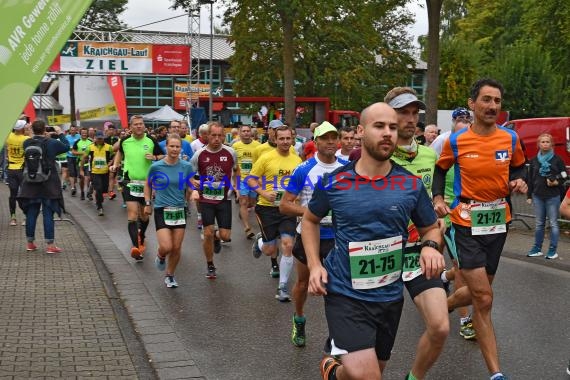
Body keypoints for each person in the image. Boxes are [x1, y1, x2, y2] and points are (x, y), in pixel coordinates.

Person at [303, 102, 444, 380]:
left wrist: (430, 248)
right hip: (345, 293)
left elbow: (431, 228)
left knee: (371, 371)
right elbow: (309, 221)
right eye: (379, 126)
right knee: (368, 376)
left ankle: (333, 372)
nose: (388, 133)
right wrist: (315, 265)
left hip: (389, 295)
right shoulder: (335, 182)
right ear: (360, 131)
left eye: (392, 127)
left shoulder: (410, 184)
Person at [433, 78, 527, 380]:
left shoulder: (510, 138)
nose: (492, 106)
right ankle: (496, 373)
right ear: (473, 104)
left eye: (497, 101)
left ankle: (440, 306)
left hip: (499, 220)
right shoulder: (457, 141)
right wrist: (437, 197)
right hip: (466, 220)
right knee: (484, 298)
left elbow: (519, 166)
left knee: (478, 293)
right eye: (486, 100)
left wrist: (518, 180)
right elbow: (441, 168)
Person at [385, 87, 448, 380]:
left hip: (419, 250)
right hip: (382, 253)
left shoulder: (427, 155)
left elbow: (439, 194)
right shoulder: (375, 156)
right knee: (376, 345)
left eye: (414, 113)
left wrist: (439, 211)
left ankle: (415, 377)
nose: (411, 120)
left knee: (440, 327)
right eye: (403, 113)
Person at [279, 122, 347, 347]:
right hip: (310, 235)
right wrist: (310, 213)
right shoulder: (304, 169)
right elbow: (285, 205)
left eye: (333, 137)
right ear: (315, 142)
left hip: (337, 237)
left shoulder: (347, 168)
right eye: (324, 138)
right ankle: (299, 318)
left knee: (337, 288)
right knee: (303, 282)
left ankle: (336, 334)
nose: (330, 142)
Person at [433, 107, 477, 341]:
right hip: (450, 220)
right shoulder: (442, 156)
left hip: (473, 221)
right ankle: (464, 321)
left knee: (470, 269)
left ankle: (444, 278)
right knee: (462, 268)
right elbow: (431, 184)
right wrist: (437, 201)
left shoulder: (474, 157)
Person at [248, 126, 302, 300]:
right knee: (270, 249)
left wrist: (299, 205)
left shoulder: (297, 160)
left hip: (287, 208)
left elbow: (300, 186)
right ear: (275, 139)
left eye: (288, 138)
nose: (285, 142)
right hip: (267, 208)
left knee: (288, 245)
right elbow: (250, 179)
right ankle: (261, 241)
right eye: (282, 139)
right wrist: (263, 193)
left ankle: (283, 287)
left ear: (292, 139)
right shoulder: (266, 158)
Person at [110, 115, 163, 261]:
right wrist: (115, 164)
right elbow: (119, 152)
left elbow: (162, 155)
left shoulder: (151, 140)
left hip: (147, 183)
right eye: (136, 124)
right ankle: (136, 247)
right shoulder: (125, 141)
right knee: (132, 215)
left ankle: (141, 235)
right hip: (129, 181)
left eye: (141, 124)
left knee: (144, 215)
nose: (139, 126)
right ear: (131, 127)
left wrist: (155, 158)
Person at [144, 134, 193, 288]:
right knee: (167, 246)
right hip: (161, 208)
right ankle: (160, 255)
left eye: (177, 146)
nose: (174, 149)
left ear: (180, 148)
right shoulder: (156, 166)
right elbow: (147, 184)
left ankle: (170, 275)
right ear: (166, 147)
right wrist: (147, 203)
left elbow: (190, 184)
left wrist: (194, 192)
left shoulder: (186, 166)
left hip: (179, 209)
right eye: (171, 146)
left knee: (177, 247)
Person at [190, 122, 238, 279]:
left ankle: (218, 238)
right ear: (207, 136)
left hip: (224, 199)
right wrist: (193, 183)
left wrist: (236, 187)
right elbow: (189, 173)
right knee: (208, 232)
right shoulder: (199, 155)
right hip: (206, 199)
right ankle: (210, 264)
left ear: (224, 136)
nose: (217, 139)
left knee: (225, 236)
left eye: (220, 136)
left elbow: (236, 170)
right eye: (213, 135)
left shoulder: (231, 152)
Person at [18, 120, 69, 253]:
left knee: (31, 212)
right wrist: (59, 132)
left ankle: (30, 243)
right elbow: (67, 147)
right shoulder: (52, 143)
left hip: (31, 181)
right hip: (49, 182)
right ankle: (50, 246)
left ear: (33, 129)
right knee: (48, 213)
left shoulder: (27, 142)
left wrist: (30, 132)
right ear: (45, 129)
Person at [526, 133, 566, 259]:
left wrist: (556, 179)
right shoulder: (533, 160)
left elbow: (565, 175)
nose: (545, 144)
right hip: (538, 196)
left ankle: (552, 251)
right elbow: (530, 179)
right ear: (538, 144)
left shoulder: (557, 159)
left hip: (553, 196)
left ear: (551, 144)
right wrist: (529, 195)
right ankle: (537, 248)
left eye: (547, 142)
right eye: (542, 142)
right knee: (539, 224)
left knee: (553, 223)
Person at [232, 124, 260, 239]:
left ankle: (243, 212)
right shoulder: (235, 146)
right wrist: (234, 183)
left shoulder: (258, 146)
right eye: (243, 131)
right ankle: (247, 228)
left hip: (254, 179)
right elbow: (233, 164)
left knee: (252, 203)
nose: (246, 133)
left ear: (251, 132)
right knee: (243, 202)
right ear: (239, 133)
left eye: (248, 131)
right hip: (241, 179)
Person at [82, 131, 112, 216]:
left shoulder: (109, 147)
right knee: (98, 188)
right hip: (94, 171)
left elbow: (114, 156)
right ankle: (100, 206)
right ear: (95, 138)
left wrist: (111, 162)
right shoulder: (90, 147)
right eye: (98, 138)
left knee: (104, 189)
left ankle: (99, 198)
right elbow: (84, 158)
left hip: (105, 171)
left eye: (101, 138)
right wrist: (81, 169)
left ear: (103, 138)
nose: (99, 140)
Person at [6, 120, 30, 226]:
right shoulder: (26, 139)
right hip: (21, 170)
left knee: (13, 194)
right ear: (21, 128)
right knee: (24, 194)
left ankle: (13, 218)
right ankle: (25, 216)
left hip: (11, 169)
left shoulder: (9, 136)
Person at [71, 127, 93, 201]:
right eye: (82, 133)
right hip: (80, 163)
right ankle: (82, 192)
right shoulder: (77, 142)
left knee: (89, 178)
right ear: (80, 133)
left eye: (85, 133)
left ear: (87, 133)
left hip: (89, 163)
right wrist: (81, 153)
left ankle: (88, 193)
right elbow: (73, 152)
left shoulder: (90, 141)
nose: (84, 134)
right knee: (82, 179)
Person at [65, 125, 81, 197]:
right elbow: (65, 145)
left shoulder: (79, 136)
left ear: (76, 130)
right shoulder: (67, 137)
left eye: (74, 130)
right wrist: (69, 148)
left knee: (77, 173)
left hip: (78, 157)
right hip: (70, 156)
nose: (73, 131)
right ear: (69, 130)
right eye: (71, 130)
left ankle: (74, 184)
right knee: (71, 172)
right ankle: (72, 187)